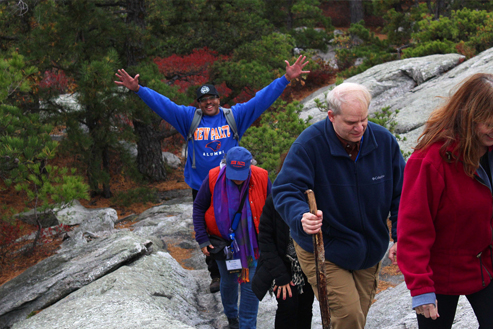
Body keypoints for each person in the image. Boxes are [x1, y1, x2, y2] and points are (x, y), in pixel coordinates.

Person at [115, 56, 309, 293]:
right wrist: (138, 90)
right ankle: (217, 273)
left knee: (238, 222)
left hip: (234, 182)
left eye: (212, 98)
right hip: (202, 184)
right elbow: (164, 105)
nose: (209, 103)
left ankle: (245, 264)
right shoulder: (189, 119)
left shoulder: (233, 116)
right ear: (198, 103)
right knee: (209, 227)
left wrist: (286, 79)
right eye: (204, 100)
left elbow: (261, 101)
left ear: (219, 99)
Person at [272, 82, 405, 329]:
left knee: (357, 319)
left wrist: (399, 235)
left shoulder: (384, 142)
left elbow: (403, 193)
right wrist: (301, 216)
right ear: (331, 116)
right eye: (352, 122)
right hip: (324, 247)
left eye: (364, 119)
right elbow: (285, 189)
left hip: (370, 248)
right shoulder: (309, 144)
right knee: (348, 318)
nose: (360, 127)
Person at [396, 73, 493, 329]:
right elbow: (413, 228)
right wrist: (421, 288)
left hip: (485, 265)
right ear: (469, 118)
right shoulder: (430, 160)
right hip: (438, 274)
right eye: (489, 124)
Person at [193, 146, 271, 329]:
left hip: (252, 244)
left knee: (250, 285)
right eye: (233, 173)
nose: (237, 178)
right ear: (226, 166)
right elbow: (199, 207)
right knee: (228, 281)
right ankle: (231, 318)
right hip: (222, 243)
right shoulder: (213, 177)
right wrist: (202, 238)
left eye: (242, 173)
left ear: (250, 166)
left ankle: (247, 325)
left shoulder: (262, 177)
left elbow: (273, 208)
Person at [252, 152, 314, 329]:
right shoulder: (275, 200)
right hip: (281, 266)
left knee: (305, 308)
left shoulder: (314, 198)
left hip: (307, 265)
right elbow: (265, 240)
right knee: (288, 307)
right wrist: (281, 276)